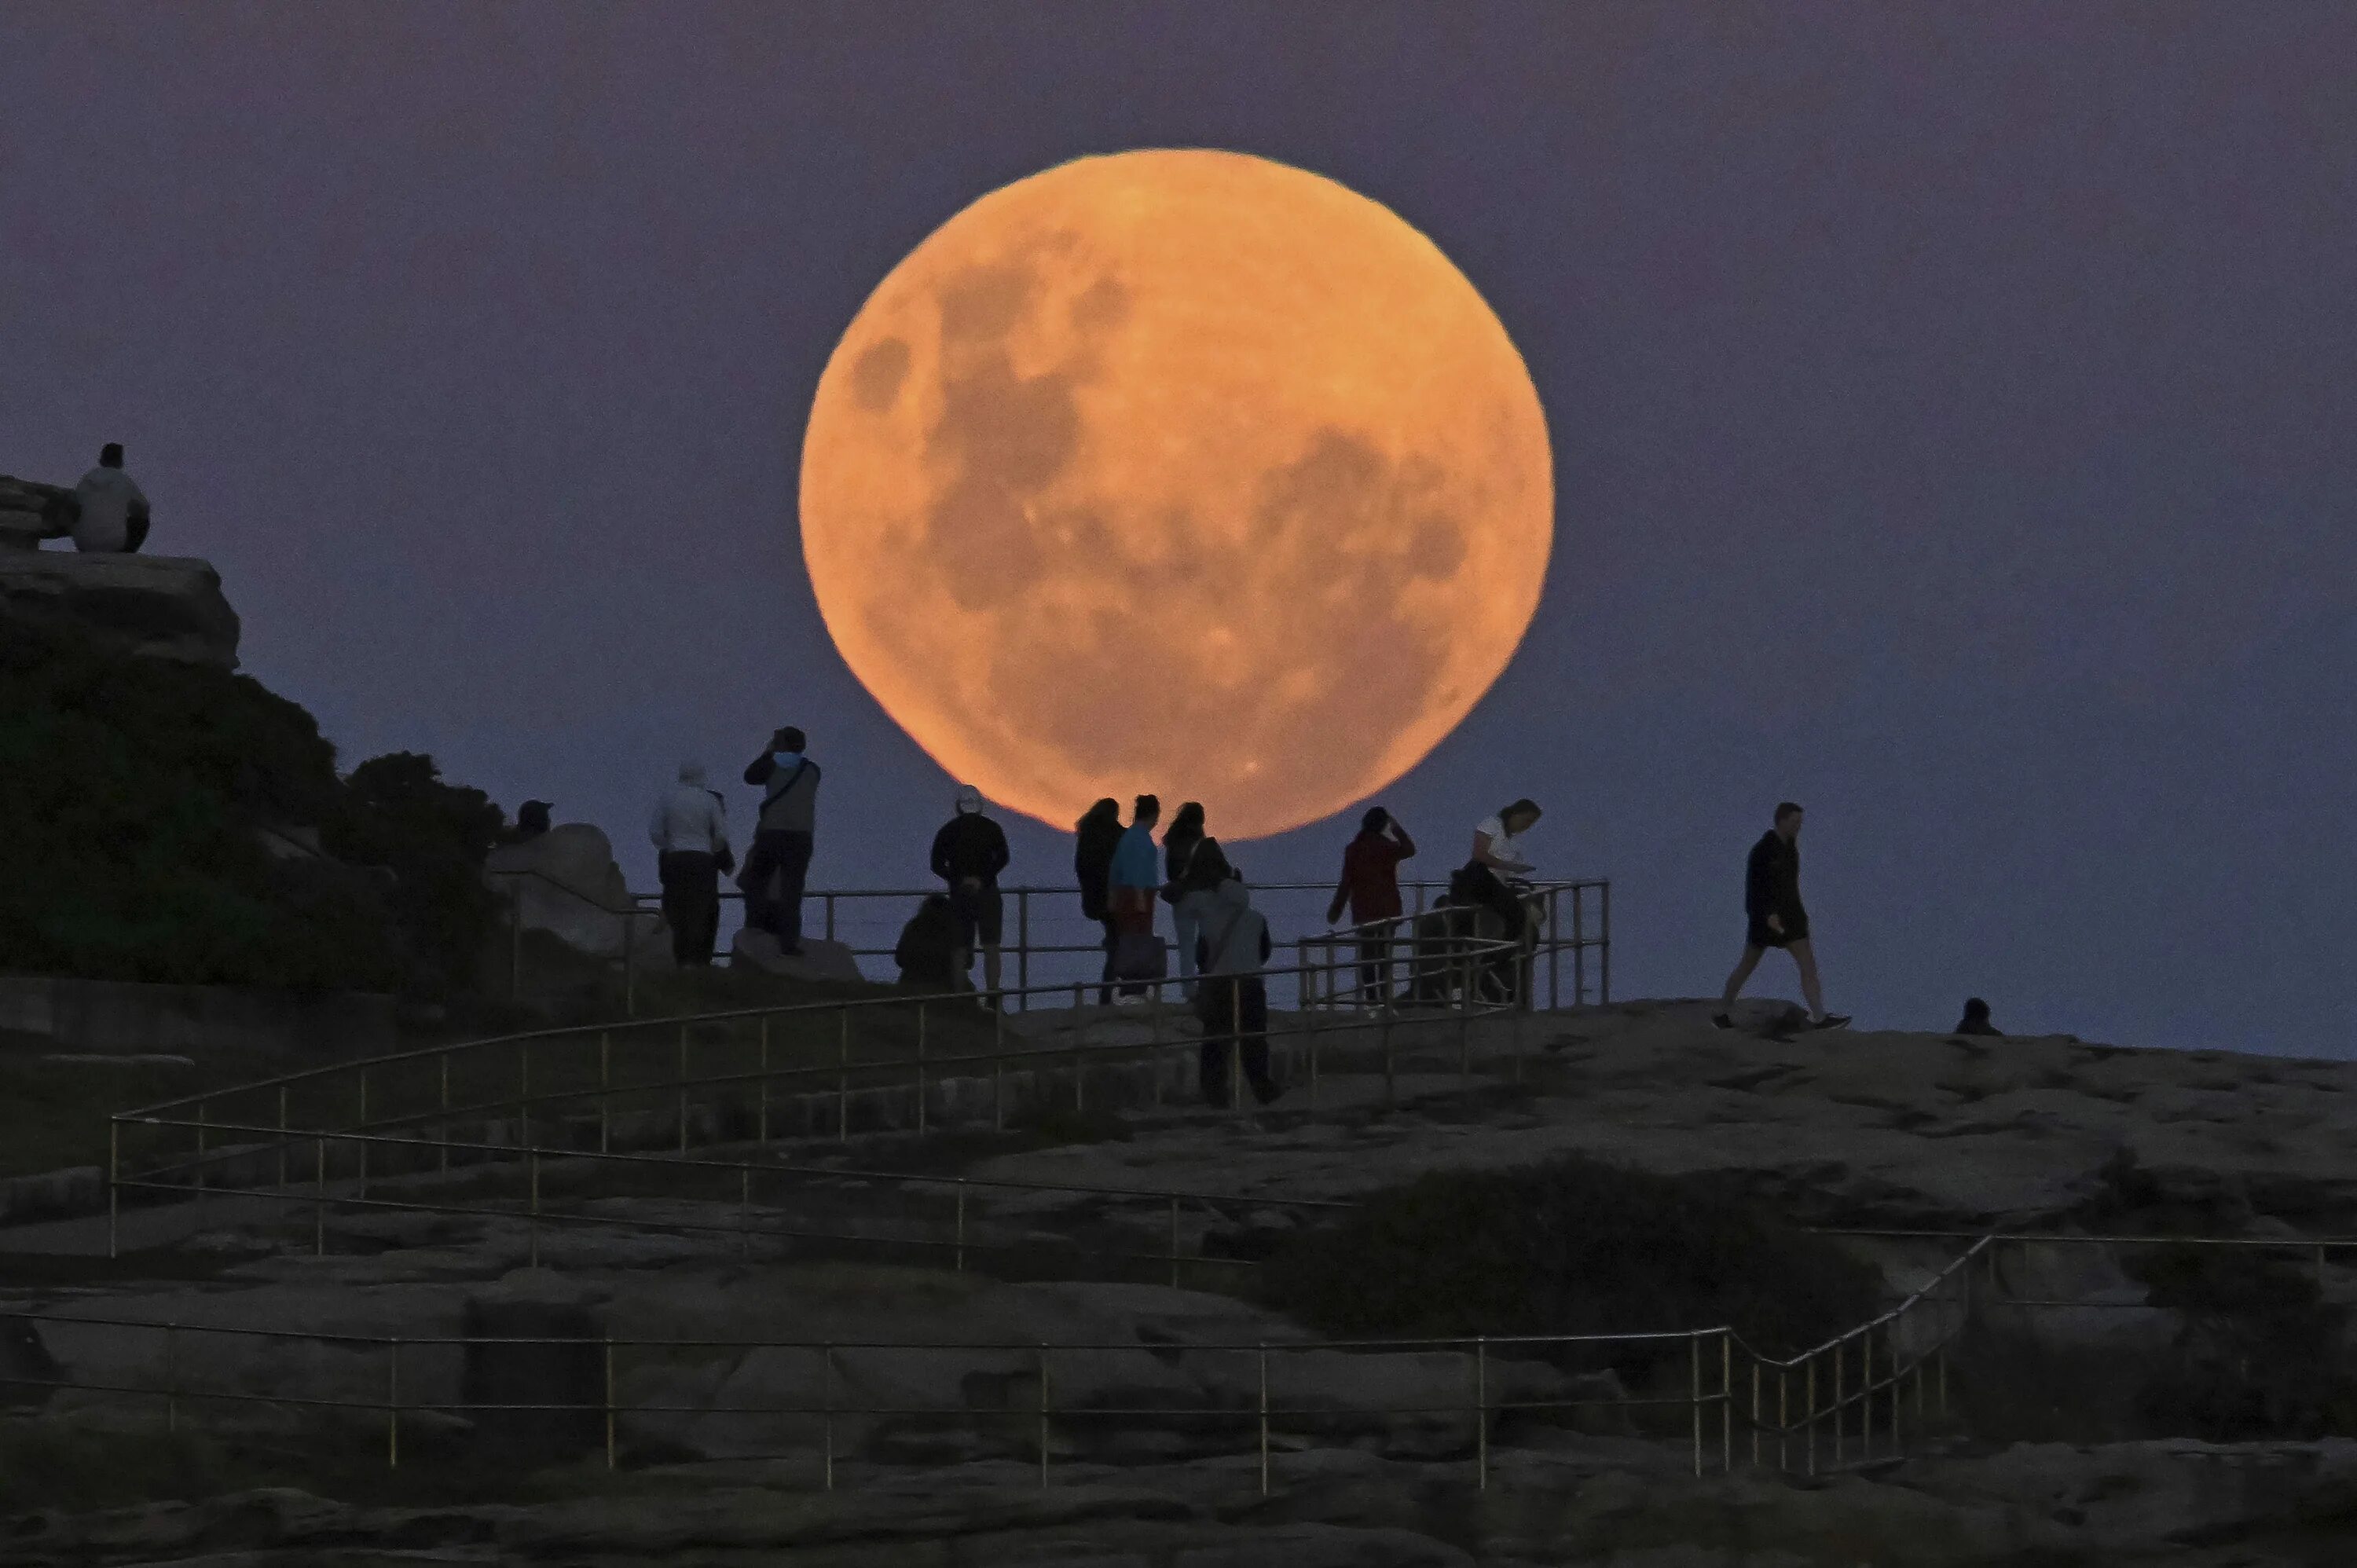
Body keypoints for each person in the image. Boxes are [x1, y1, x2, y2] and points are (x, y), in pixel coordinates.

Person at [1714, 803, 1850, 1031]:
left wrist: (1799, 916)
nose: (1798, 827)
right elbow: (1755, 890)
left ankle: (1820, 1016)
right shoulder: (1763, 850)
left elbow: (1790, 887)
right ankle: (1722, 1012)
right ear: (1781, 820)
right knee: (1747, 966)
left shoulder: (1791, 849)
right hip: (1764, 920)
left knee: (1808, 965)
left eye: (1800, 823)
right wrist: (1767, 915)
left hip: (1792, 919)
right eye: (1794, 822)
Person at [1195, 874, 1281, 1107]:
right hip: (1251, 983)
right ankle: (1261, 1086)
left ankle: (1214, 1092)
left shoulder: (1208, 920)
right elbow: (1264, 952)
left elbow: (1201, 957)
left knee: (1215, 1039)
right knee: (1254, 1037)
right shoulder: (1257, 919)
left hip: (1219, 985)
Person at [739, 727, 821, 954]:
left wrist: (768, 752)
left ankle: (755, 926)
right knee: (792, 888)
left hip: (772, 832)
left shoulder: (771, 764)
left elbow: (750, 776)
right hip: (801, 836)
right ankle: (789, 941)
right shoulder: (812, 770)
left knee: (759, 879)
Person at [1326, 807, 1417, 1003]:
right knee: (1385, 955)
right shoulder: (1388, 847)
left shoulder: (1354, 850)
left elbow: (1346, 883)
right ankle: (1384, 996)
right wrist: (1397, 828)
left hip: (1364, 910)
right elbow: (1410, 849)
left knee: (1367, 956)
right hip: (1388, 909)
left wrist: (1336, 910)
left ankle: (1371, 998)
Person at [1453, 799, 1541, 1002]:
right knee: (1516, 917)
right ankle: (1491, 962)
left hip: (1496, 883)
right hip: (1481, 879)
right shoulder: (1491, 824)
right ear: (1515, 814)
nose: (1526, 827)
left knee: (1519, 921)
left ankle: (1495, 961)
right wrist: (1509, 866)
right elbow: (1479, 855)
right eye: (1526, 820)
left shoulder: (1512, 842)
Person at [931, 785, 1010, 1003]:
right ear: (981, 805)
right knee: (992, 946)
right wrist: (983, 879)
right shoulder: (992, 828)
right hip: (988, 893)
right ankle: (993, 995)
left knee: (959, 947)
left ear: (958, 806)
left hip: (959, 895)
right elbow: (1003, 858)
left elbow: (936, 864)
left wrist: (957, 880)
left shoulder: (947, 831)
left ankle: (960, 997)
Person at [648, 761, 732, 966]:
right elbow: (721, 834)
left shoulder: (668, 799)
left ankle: (678, 960)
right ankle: (698, 962)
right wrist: (711, 849)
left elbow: (655, 832)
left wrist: (669, 846)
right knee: (702, 910)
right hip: (703, 860)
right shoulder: (710, 800)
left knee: (676, 908)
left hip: (675, 858)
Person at [1161, 802, 1230, 1001]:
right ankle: (1209, 985)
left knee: (1186, 947)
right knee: (1210, 943)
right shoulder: (1207, 845)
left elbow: (1171, 873)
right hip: (1205, 898)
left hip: (1182, 900)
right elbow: (1225, 871)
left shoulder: (1172, 842)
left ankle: (1188, 992)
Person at [1105, 793, 1164, 1001]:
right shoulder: (1141, 839)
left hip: (1125, 893)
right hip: (1139, 894)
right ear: (1153, 815)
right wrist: (1140, 895)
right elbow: (1138, 869)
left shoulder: (1128, 837)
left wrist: (1113, 895)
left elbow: (1115, 868)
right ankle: (1135, 989)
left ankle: (1129, 988)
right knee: (1138, 940)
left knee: (1129, 939)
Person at [1074, 797, 1125, 1006]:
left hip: (1095, 899)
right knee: (1119, 944)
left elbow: (1081, 867)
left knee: (1114, 941)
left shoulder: (1086, 834)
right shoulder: (1118, 834)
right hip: (1116, 897)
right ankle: (1112, 993)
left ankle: (1108, 993)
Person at [71, 444, 151, 553]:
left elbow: (75, 504)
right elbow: (144, 508)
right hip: (114, 543)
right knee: (141, 521)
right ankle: (126, 554)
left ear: (101, 460)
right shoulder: (123, 480)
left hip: (84, 544)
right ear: (120, 461)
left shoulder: (86, 479)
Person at [894, 892, 965, 992]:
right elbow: (960, 963)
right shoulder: (952, 930)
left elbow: (899, 959)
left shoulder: (914, 926)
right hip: (941, 987)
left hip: (910, 985)